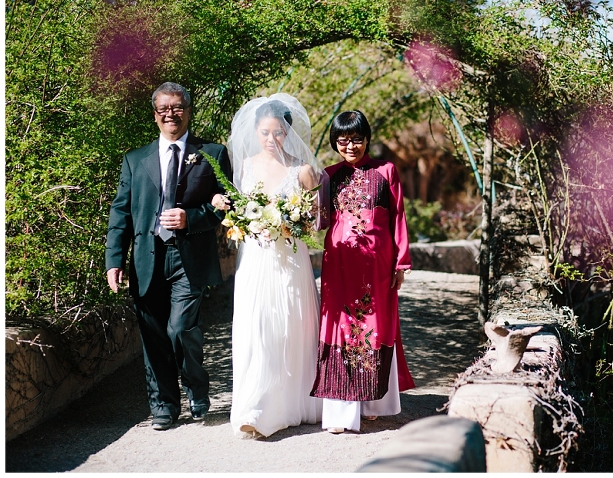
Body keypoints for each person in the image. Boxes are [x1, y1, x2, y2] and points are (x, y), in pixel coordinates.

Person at [106, 82, 232, 430]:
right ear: (155, 115)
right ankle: (163, 405)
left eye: (177, 107)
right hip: (146, 258)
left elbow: (228, 205)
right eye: (163, 109)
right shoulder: (135, 160)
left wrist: (192, 217)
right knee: (153, 335)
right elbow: (121, 213)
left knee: (180, 328)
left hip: (189, 258)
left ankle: (196, 388)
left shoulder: (212, 153)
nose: (170, 114)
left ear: (188, 111)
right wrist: (114, 260)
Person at [214, 94, 326, 438]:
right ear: (255, 131)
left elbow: (317, 220)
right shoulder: (244, 167)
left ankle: (294, 402)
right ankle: (256, 407)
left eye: (278, 132)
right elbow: (235, 209)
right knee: (257, 327)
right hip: (255, 259)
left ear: (288, 132)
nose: (271, 139)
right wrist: (228, 208)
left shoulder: (302, 171)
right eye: (265, 132)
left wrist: (291, 220)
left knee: (290, 327)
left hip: (290, 260)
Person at [310, 110, 415, 434]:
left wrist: (400, 263)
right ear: (335, 143)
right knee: (340, 329)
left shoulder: (386, 171)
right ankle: (341, 414)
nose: (350, 146)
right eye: (343, 140)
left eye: (356, 139)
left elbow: (398, 217)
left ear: (367, 139)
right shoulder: (328, 176)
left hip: (377, 267)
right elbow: (320, 221)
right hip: (339, 266)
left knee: (375, 329)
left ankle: (371, 403)